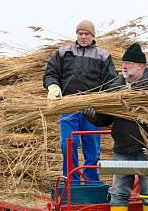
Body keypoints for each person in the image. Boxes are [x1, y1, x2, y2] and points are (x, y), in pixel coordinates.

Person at [82, 43, 148, 211]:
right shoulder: (116, 84)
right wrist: (93, 115)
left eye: (128, 63)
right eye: (123, 63)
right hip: (122, 149)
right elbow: (105, 118)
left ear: (140, 66)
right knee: (119, 191)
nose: (124, 67)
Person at [43, 20, 117, 184]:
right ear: (77, 34)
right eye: (80, 33)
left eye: (87, 34)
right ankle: (72, 182)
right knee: (68, 144)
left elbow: (111, 82)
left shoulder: (103, 56)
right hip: (68, 106)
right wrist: (53, 86)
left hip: (92, 110)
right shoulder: (64, 53)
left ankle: (91, 182)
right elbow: (51, 73)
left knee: (92, 149)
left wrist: (103, 103)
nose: (83, 37)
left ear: (93, 36)